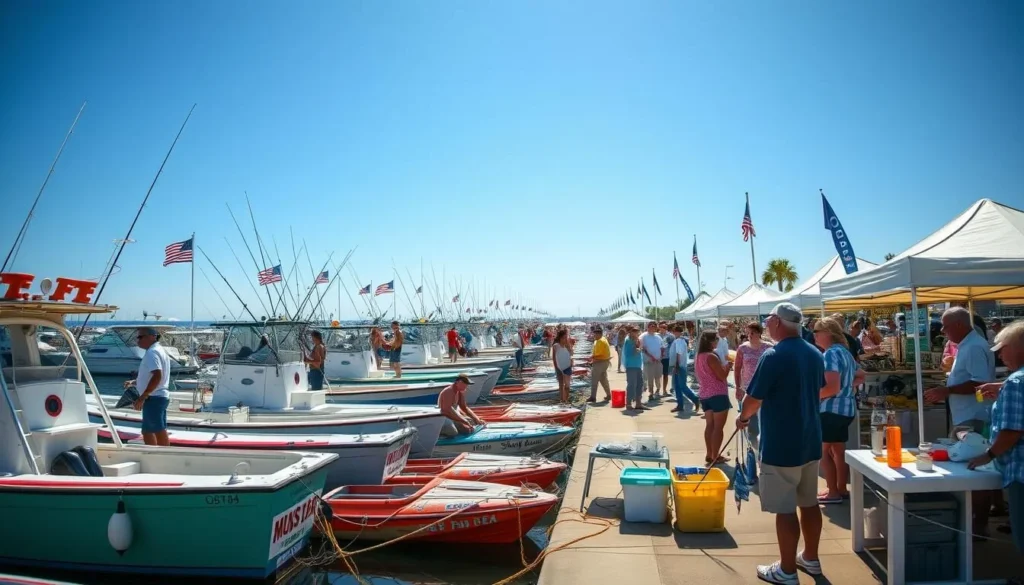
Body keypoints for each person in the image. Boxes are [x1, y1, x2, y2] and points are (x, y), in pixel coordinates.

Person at [736, 303, 825, 584]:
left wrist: (743, 417)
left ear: (776, 322)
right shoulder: (814, 353)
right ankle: (810, 557)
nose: (767, 325)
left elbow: (753, 399)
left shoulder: (773, 355)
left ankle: (787, 570)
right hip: (810, 439)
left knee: (784, 509)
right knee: (809, 503)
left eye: (769, 320)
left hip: (781, 442)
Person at [924, 306, 999, 536]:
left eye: (946, 326)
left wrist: (946, 391)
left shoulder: (974, 346)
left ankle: (978, 525)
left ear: (958, 325)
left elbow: (980, 384)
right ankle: (975, 522)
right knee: (972, 470)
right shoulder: (968, 345)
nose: (943, 331)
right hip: (967, 415)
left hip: (973, 417)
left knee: (974, 472)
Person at [969, 320, 1024, 556]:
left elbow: (1013, 430)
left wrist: (988, 455)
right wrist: (1002, 386)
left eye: (1003, 348)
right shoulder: (1013, 382)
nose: (1000, 355)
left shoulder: (1015, 382)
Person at [813, 317, 864, 504]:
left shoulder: (830, 354)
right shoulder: (845, 352)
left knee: (823, 451)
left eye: (817, 331)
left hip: (831, 409)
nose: (814, 335)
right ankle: (841, 488)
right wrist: (847, 388)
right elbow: (861, 375)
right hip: (846, 409)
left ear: (827, 333)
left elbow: (831, 388)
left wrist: (811, 395)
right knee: (838, 451)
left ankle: (833, 491)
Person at [125, 327, 172, 446]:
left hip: (154, 397)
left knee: (154, 430)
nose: (138, 340)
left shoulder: (152, 352)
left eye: (141, 337)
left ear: (153, 336)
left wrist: (143, 397)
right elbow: (152, 376)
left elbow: (157, 375)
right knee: (151, 429)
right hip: (158, 396)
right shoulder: (158, 350)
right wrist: (134, 382)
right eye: (137, 337)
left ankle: (160, 455)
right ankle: (158, 454)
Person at [695, 331, 732, 465]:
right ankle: (716, 455)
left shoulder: (699, 356)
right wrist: (728, 367)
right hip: (718, 393)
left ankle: (709, 454)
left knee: (709, 425)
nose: (717, 341)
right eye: (716, 339)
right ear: (711, 341)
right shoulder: (711, 356)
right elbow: (722, 376)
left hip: (705, 394)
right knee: (718, 428)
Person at [734, 322, 773, 449]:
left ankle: (764, 446)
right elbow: (738, 367)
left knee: (765, 419)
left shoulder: (768, 347)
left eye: (753, 333)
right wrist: (738, 387)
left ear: (759, 333)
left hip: (765, 389)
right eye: (748, 332)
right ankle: (753, 448)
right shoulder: (742, 348)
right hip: (748, 388)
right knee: (749, 420)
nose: (749, 335)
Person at [669, 324, 700, 414]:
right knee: (677, 386)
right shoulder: (681, 341)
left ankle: (695, 398)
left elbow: (679, 353)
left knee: (682, 386)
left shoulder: (679, 341)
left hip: (679, 366)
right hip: (679, 365)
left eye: (675, 331)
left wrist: (677, 365)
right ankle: (680, 404)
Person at [622, 326, 646, 410]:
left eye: (637, 331)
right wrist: (637, 350)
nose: (636, 333)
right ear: (630, 332)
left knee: (640, 384)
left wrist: (638, 347)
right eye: (634, 331)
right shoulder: (628, 341)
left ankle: (638, 403)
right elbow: (628, 354)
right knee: (631, 385)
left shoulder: (637, 340)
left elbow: (639, 349)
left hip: (638, 365)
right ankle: (628, 404)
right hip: (631, 366)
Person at [639, 321, 663, 400]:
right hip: (649, 361)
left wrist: (661, 356)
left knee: (658, 377)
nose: (653, 327)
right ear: (648, 327)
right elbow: (642, 348)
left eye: (654, 326)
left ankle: (658, 390)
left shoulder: (658, 337)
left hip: (658, 361)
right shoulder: (643, 336)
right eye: (651, 326)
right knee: (650, 378)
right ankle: (651, 392)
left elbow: (662, 347)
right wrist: (651, 357)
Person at [588, 325, 612, 403]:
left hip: (600, 362)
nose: (594, 336)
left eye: (595, 334)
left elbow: (599, 354)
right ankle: (609, 395)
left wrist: (591, 357)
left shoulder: (600, 341)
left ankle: (593, 397)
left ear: (599, 334)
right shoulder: (601, 340)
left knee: (594, 380)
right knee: (603, 380)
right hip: (604, 362)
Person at [552, 329, 572, 403]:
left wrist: (569, 345)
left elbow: (571, 355)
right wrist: (556, 367)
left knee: (567, 385)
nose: (565, 339)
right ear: (560, 338)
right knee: (561, 384)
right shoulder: (556, 346)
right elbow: (554, 358)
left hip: (567, 367)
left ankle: (566, 399)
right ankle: (562, 400)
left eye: (566, 337)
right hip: (559, 367)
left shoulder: (567, 346)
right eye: (563, 337)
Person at [658, 321, 675, 395]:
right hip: (658, 358)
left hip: (666, 357)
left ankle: (664, 390)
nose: (662, 329)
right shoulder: (657, 336)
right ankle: (658, 390)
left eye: (664, 327)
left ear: (666, 328)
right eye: (661, 327)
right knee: (658, 375)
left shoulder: (671, 336)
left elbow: (673, 346)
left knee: (665, 374)